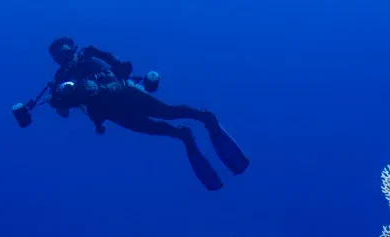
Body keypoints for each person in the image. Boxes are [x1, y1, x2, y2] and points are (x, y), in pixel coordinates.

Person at [14, 37, 249, 191]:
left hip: (125, 94)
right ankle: (187, 137)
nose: (58, 55)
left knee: (168, 113)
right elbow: (64, 112)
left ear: (71, 47)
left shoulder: (87, 55)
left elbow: (120, 68)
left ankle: (206, 118)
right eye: (54, 54)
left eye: (60, 49)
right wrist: (58, 99)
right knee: (162, 129)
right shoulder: (58, 82)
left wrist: (95, 82)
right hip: (113, 113)